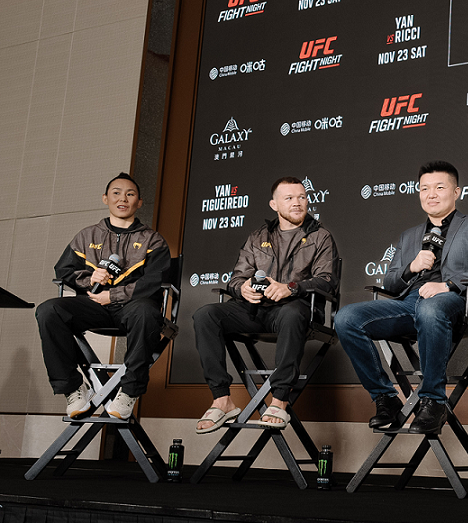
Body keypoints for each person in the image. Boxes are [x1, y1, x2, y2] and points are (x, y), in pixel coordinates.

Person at [333, 161, 468, 434]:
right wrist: (412, 266)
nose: (431, 194)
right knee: (346, 318)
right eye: (424, 188)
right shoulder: (409, 235)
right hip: (411, 302)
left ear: (457, 192)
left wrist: (446, 285)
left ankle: (433, 400)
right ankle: (384, 397)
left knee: (431, 309)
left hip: (457, 301)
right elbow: (389, 281)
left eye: (439, 187)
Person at [193, 177, 338, 432]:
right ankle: (222, 399)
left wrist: (290, 288)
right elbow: (237, 277)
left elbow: (326, 281)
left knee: (292, 314)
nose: (297, 203)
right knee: (206, 315)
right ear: (274, 204)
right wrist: (242, 288)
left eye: (302, 197)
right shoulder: (258, 236)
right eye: (289, 198)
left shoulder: (321, 236)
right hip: (255, 310)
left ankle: (279, 400)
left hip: (294, 310)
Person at [35, 173, 170, 420]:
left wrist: (115, 295)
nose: (123, 199)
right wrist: (89, 279)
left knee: (146, 311)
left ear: (139, 202)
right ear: (105, 198)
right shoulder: (87, 236)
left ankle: (129, 391)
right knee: (48, 311)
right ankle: (73, 388)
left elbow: (154, 281)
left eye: (130, 194)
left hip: (133, 307)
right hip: (94, 305)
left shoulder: (153, 239)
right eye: (116, 193)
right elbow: (63, 270)